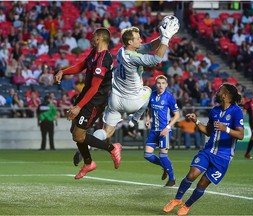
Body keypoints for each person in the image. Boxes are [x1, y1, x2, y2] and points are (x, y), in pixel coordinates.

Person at [72, 17, 180, 166]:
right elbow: (156, 59)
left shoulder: (122, 51)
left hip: (115, 100)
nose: (141, 40)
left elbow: (148, 46)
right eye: (138, 38)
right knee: (148, 90)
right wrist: (166, 39)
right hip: (133, 101)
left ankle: (88, 146)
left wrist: (162, 36)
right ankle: (134, 120)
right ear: (130, 42)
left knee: (107, 131)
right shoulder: (134, 58)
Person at [163, 83, 244, 216]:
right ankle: (177, 199)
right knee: (192, 174)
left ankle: (187, 206)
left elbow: (241, 135)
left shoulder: (236, 111)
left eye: (219, 90)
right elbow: (207, 131)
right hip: (208, 151)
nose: (216, 92)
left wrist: (226, 129)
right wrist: (196, 121)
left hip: (223, 157)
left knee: (202, 183)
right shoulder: (214, 111)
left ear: (225, 95)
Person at [54, 28, 122, 180]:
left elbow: (95, 87)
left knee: (78, 135)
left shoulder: (104, 59)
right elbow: (81, 65)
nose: (91, 39)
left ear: (99, 39)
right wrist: (63, 72)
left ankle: (112, 148)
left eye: (93, 37)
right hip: (86, 96)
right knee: (75, 131)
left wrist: (78, 107)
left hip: (95, 101)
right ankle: (89, 163)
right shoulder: (94, 53)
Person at [144, 75, 180, 187]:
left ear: (166, 85)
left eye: (163, 83)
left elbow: (177, 115)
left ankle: (172, 179)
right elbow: (149, 109)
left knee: (163, 155)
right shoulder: (152, 95)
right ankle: (165, 166)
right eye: (159, 83)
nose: (161, 85)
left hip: (164, 131)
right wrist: (148, 119)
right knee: (147, 155)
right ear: (156, 84)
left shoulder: (169, 97)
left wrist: (167, 128)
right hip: (154, 130)